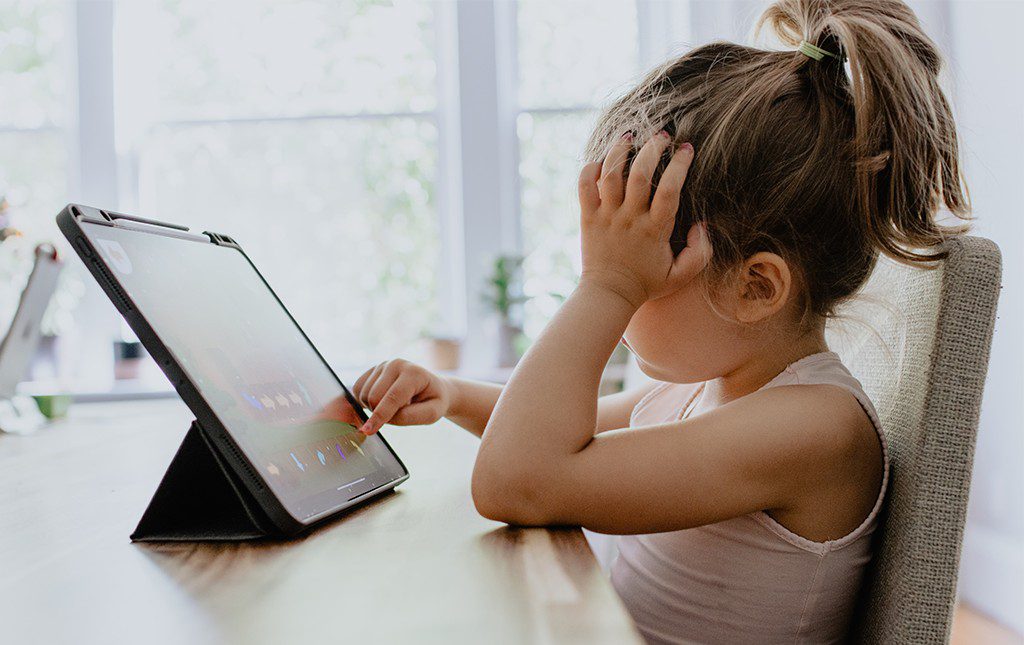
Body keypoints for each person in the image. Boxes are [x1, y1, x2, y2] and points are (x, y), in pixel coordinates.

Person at [353, 0, 968, 641]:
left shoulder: (817, 428)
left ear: (755, 288)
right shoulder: (706, 384)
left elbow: (518, 480)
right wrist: (451, 393)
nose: (616, 310)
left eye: (640, 277)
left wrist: (607, 285)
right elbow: (565, 429)